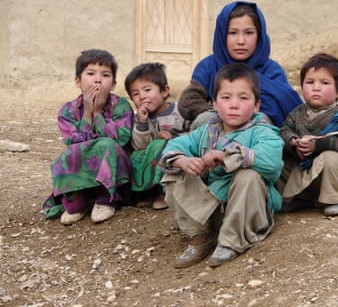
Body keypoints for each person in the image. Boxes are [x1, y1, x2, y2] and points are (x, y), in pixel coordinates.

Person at [159, 63, 284, 268]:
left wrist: (226, 156)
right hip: (214, 210)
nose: (234, 104)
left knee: (248, 176)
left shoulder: (263, 131)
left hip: (247, 212)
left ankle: (231, 241)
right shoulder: (208, 131)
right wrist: (185, 161)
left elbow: (272, 162)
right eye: (226, 98)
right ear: (215, 103)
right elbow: (174, 146)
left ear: (256, 105)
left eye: (243, 98)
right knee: (176, 170)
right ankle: (200, 236)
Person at [42, 49, 134, 225]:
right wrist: (87, 114)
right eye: (91, 74)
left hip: (115, 170)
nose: (98, 79)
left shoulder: (121, 106)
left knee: (106, 144)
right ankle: (78, 199)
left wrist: (98, 113)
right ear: (78, 81)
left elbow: (120, 139)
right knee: (69, 153)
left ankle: (105, 198)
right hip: (83, 171)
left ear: (113, 83)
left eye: (105, 75)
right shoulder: (67, 111)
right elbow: (73, 142)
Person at [178, 0, 303, 128]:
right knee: (205, 119)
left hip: (257, 138)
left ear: (259, 36)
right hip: (214, 134)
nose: (241, 41)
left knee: (262, 121)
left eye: (249, 33)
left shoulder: (271, 70)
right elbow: (188, 102)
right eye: (232, 33)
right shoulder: (208, 67)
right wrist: (222, 111)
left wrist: (245, 115)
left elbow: (287, 107)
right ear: (222, 35)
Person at [277, 53, 338, 216]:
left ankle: (334, 198)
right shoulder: (296, 114)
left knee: (330, 158)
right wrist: (293, 142)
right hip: (305, 171)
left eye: (324, 83)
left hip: (330, 175)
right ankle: (299, 198)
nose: (316, 87)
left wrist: (319, 146)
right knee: (278, 163)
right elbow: (285, 131)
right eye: (310, 82)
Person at [124, 62, 190, 210]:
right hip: (152, 161)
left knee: (164, 147)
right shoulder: (139, 118)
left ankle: (165, 192)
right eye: (135, 94)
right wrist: (142, 122)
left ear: (164, 91)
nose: (142, 97)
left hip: (176, 158)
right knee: (136, 155)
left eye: (147, 90)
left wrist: (174, 138)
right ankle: (147, 192)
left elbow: (195, 134)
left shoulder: (181, 111)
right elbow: (140, 146)